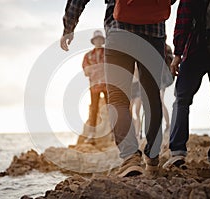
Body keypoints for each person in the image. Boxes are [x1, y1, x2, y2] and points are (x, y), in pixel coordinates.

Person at [61, 0, 175, 177]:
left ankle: (130, 157)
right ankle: (152, 156)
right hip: (154, 34)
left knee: (118, 98)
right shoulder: (90, 56)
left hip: (119, 32)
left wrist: (69, 26)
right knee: (152, 97)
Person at [164, 0, 210, 174]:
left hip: (195, 50)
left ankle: (178, 153)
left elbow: (183, 21)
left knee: (182, 100)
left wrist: (178, 55)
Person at [82, 30, 108, 142]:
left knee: (111, 108)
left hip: (107, 85)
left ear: (102, 40)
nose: (98, 41)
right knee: (94, 109)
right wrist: (100, 68)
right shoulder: (88, 55)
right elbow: (86, 71)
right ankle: (92, 135)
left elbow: (111, 67)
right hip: (94, 87)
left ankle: (114, 133)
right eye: (96, 39)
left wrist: (95, 69)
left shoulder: (108, 53)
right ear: (94, 41)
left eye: (100, 39)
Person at [129, 64, 142, 141]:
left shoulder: (137, 66)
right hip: (130, 89)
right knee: (129, 112)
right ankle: (133, 132)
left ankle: (137, 133)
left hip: (138, 89)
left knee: (137, 111)